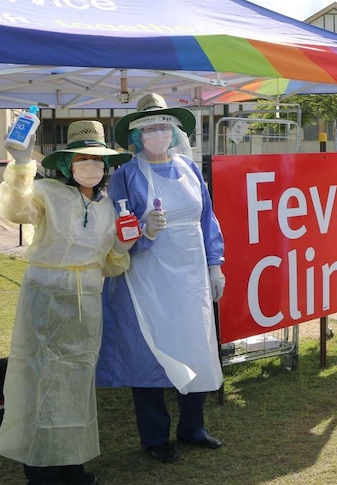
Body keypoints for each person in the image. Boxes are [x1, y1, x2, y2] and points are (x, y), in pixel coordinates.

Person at [0, 121, 135, 485]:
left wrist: (124, 244)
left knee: (76, 380)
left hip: (86, 301)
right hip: (45, 297)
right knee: (40, 379)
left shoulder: (105, 208)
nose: (92, 166)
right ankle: (40, 466)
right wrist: (22, 165)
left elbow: (110, 264)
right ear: (67, 162)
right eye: (84, 158)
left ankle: (72, 462)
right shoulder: (47, 193)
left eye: (99, 160)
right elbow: (14, 208)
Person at [96, 93, 226, 464]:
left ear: (174, 131)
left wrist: (215, 264)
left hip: (190, 275)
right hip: (146, 277)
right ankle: (154, 436)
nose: (158, 134)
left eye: (163, 127)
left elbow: (207, 220)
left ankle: (193, 428)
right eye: (150, 128)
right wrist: (143, 229)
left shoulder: (189, 169)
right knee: (150, 351)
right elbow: (117, 233)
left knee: (194, 346)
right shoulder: (125, 176)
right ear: (137, 136)